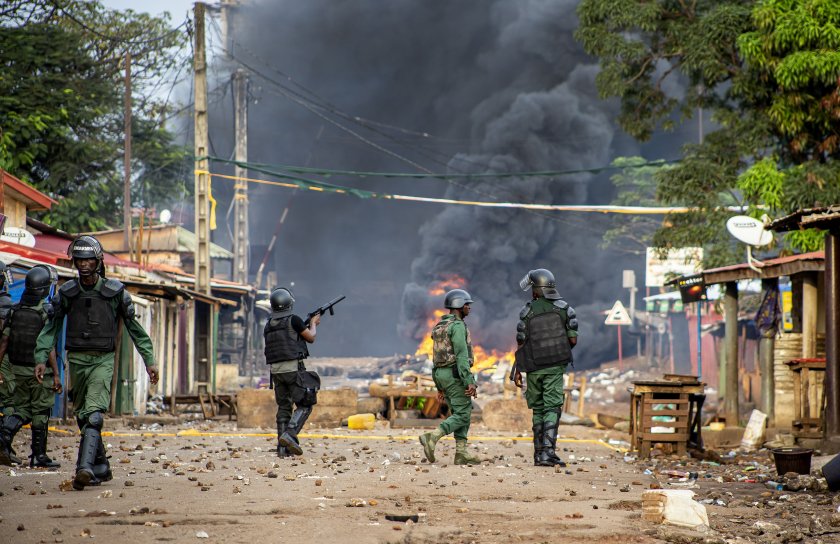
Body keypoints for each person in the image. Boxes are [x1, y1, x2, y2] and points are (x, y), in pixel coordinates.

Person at [34, 236, 158, 490]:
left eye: (89, 259)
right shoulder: (67, 293)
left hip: (102, 358)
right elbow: (51, 327)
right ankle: (101, 467)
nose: (84, 264)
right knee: (83, 417)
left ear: (98, 261)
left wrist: (150, 361)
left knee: (94, 415)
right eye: (80, 259)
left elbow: (136, 330)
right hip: (76, 359)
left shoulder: (115, 292)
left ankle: (84, 468)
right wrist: (40, 358)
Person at [512, 268, 578, 467]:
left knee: (539, 408)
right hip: (554, 367)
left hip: (533, 368)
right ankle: (548, 453)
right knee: (552, 407)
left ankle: (538, 454)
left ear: (537, 289)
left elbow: (521, 344)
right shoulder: (565, 309)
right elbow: (572, 340)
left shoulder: (528, 311)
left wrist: (517, 370)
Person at [0, 265, 62, 467]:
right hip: (39, 371)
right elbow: (49, 345)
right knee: (41, 411)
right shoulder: (45, 313)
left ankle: (4, 436)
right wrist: (56, 375)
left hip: (17, 370)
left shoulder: (15, 310)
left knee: (22, 409)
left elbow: (4, 342)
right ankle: (38, 455)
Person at [419, 288, 481, 465]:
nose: (469, 307)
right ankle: (433, 436)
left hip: (441, 375)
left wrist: (439, 386)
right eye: (467, 304)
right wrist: (469, 382)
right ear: (458, 305)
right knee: (463, 414)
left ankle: (461, 453)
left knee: (460, 413)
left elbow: (435, 357)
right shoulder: (458, 326)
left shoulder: (440, 327)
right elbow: (462, 356)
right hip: (455, 375)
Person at [264, 287, 320, 457]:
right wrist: (313, 324)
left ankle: (282, 449)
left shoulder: (268, 324)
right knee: (305, 404)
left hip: (276, 372)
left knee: (284, 407)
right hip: (293, 369)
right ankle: (290, 434)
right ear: (289, 304)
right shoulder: (294, 320)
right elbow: (310, 338)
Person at [0, 262, 20, 464]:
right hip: (4, 361)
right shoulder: (5, 303)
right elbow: (5, 338)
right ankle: (3, 445)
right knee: (10, 404)